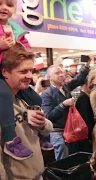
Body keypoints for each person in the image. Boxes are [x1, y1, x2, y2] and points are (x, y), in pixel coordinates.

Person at [0, 44, 53, 179]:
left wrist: (42, 124)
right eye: (23, 72)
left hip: (39, 173)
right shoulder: (3, 104)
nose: (29, 76)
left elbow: (47, 128)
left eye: (31, 70)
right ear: (5, 72)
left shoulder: (26, 98)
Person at [0, 0, 42, 160]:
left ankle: (40, 133)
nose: (4, 8)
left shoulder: (15, 28)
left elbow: (26, 47)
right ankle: (10, 140)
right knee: (4, 96)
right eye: (0, 4)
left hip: (9, 71)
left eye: (9, 5)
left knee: (35, 97)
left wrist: (19, 48)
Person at [41, 60, 90, 160]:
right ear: (49, 77)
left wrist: (86, 66)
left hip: (70, 129)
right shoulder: (47, 94)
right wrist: (63, 104)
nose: (61, 75)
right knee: (63, 159)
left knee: (72, 157)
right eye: (57, 73)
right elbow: (48, 116)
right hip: (58, 132)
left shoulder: (65, 87)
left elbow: (78, 80)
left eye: (61, 72)